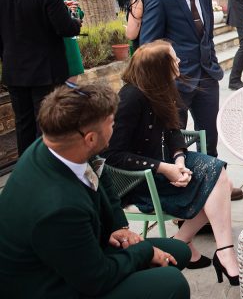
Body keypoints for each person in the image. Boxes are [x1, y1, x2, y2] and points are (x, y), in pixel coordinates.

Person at [0, 83, 191, 298]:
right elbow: (95, 279)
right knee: (172, 283)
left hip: (76, 258)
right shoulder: (58, 207)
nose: (115, 126)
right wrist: (144, 252)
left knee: (178, 252)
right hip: (50, 285)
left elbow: (102, 177)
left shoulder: (57, 144)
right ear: (90, 138)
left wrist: (119, 226)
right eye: (112, 122)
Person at [104, 41, 239, 285]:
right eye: (173, 59)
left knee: (221, 180)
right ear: (158, 67)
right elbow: (114, 155)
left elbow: (173, 129)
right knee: (220, 184)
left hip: (167, 162)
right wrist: (164, 169)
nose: (178, 62)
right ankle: (220, 250)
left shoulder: (163, 87)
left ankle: (192, 242)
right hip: (139, 179)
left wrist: (178, 160)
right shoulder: (130, 97)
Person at [140, 0, 243, 202]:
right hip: (176, 81)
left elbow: (205, 36)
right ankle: (182, 187)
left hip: (207, 75)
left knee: (209, 133)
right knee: (175, 138)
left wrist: (212, 62)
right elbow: (149, 45)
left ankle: (216, 182)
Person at [0, 0, 81, 155]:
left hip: (14, 70)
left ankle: (26, 166)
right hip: (46, 72)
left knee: (23, 123)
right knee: (47, 122)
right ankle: (45, 165)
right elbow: (66, 28)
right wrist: (75, 18)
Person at [46, 0, 84, 81]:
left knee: (70, 91)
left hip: (68, 41)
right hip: (48, 42)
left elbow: (78, 13)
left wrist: (75, 11)